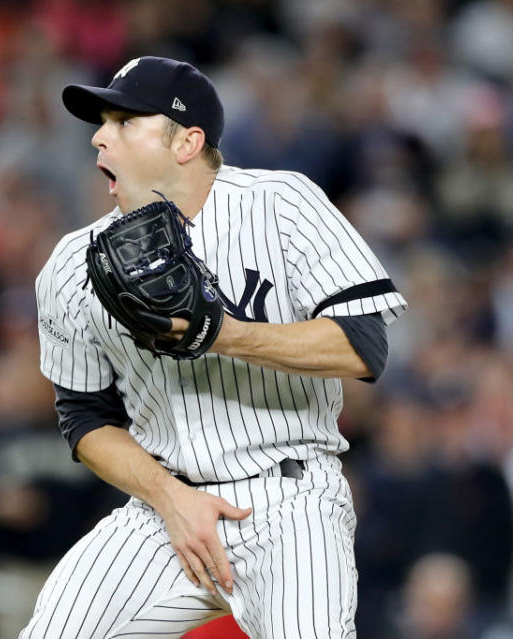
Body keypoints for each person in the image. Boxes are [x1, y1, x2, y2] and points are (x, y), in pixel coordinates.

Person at [25, 56, 408, 638]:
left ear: (187, 142)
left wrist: (222, 333)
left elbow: (363, 345)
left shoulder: (281, 204)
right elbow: (84, 418)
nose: (100, 136)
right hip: (164, 506)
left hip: (289, 499)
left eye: (125, 122)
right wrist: (167, 496)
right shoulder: (73, 265)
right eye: (102, 122)